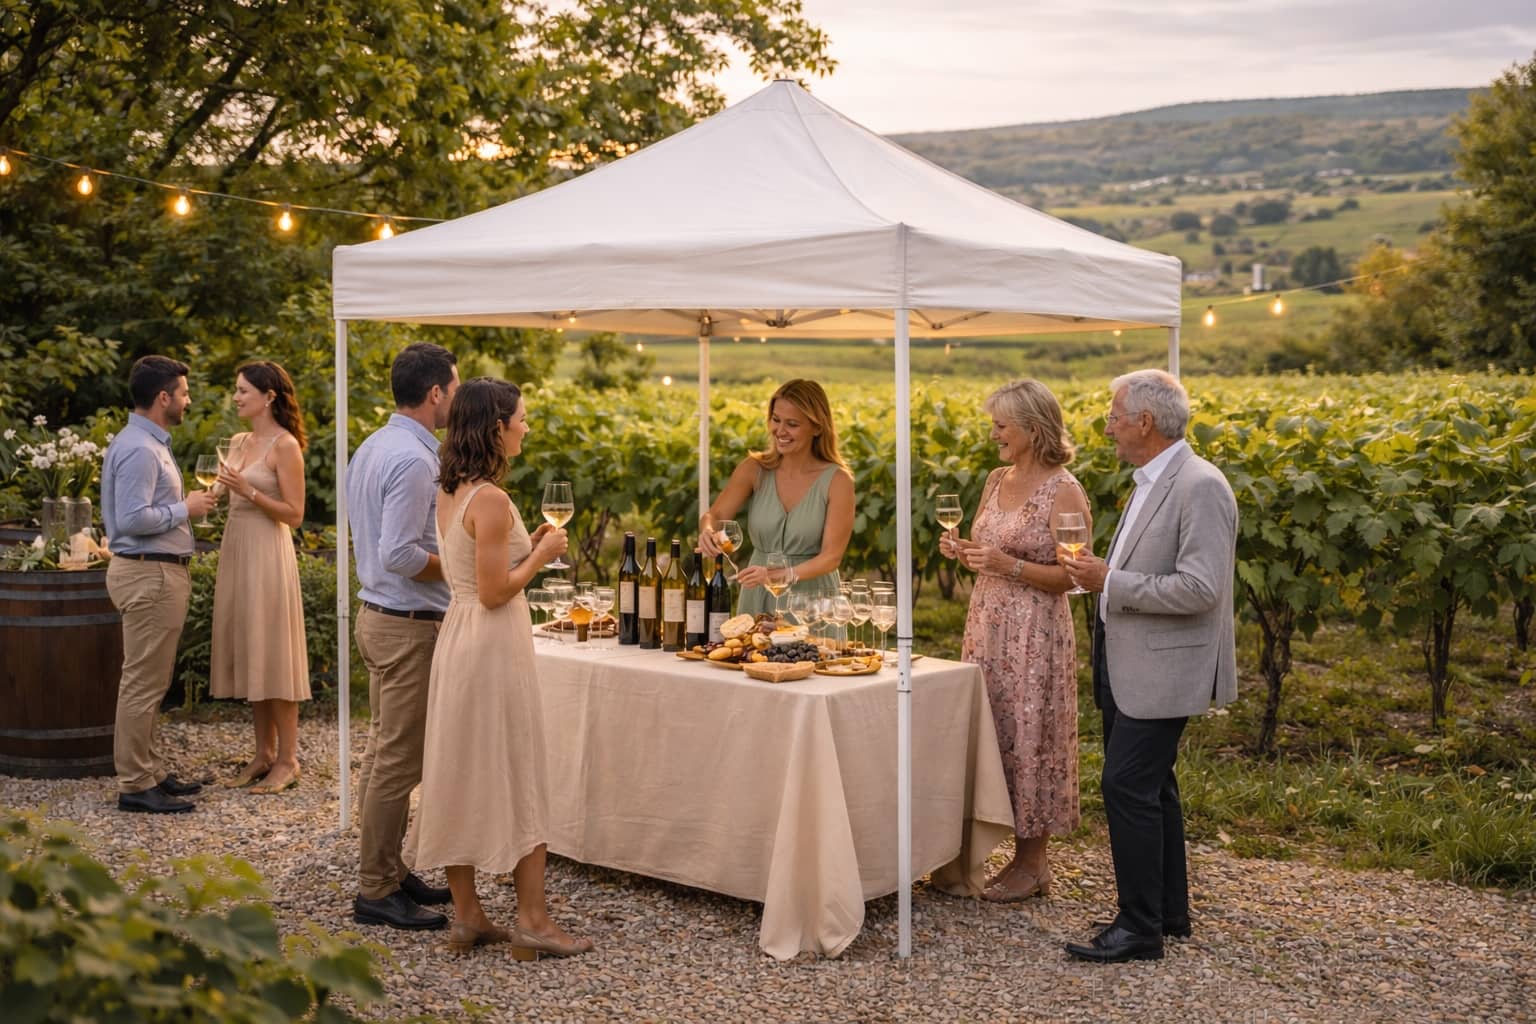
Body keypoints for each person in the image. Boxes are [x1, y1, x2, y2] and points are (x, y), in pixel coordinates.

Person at [407, 377, 593, 958]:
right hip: (490, 641)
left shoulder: (451, 488)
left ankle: (467, 917)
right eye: (521, 418)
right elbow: (493, 592)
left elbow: (469, 567)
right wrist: (539, 555)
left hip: (460, 640)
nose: (526, 427)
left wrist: (524, 544)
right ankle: (533, 921)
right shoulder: (490, 498)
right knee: (517, 768)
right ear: (496, 427)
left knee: (459, 770)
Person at [1059, 369, 1238, 964]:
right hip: (1127, 659)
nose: (1107, 426)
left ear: (1144, 421)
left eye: (1114, 415)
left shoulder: (1200, 485)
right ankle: (1167, 912)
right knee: (1154, 786)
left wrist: (1112, 579)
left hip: (1163, 667)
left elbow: (1201, 588)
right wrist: (1107, 574)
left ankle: (1138, 929)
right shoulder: (1151, 481)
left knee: (1125, 785)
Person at [939, 379, 1090, 902]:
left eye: (1002, 425)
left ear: (1032, 427)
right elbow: (990, 547)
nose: (994, 433)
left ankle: (1034, 861)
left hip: (1034, 632)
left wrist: (1012, 567)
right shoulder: (996, 477)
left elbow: (1076, 577)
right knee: (993, 731)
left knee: (1032, 738)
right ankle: (990, 847)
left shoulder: (1063, 489)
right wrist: (963, 550)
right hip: (987, 624)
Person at [347, 343, 460, 932]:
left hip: (379, 617)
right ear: (436, 392)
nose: (456, 398)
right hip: (406, 625)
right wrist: (460, 564)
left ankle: (387, 870)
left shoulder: (373, 445)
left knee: (382, 752)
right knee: (397, 761)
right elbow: (398, 553)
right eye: (454, 388)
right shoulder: (416, 459)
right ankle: (375, 890)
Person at [101, 355, 218, 813]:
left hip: (157, 571)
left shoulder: (148, 442)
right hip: (148, 572)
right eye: (184, 393)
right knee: (142, 682)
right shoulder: (139, 448)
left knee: (153, 678)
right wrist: (185, 508)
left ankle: (150, 770)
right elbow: (130, 520)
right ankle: (134, 784)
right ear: (163, 397)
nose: (189, 400)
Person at [210, 361, 311, 795]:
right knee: (252, 648)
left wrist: (248, 491)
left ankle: (288, 760)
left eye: (243, 391)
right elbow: (220, 491)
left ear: (269, 396)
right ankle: (262, 753)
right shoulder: (238, 441)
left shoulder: (285, 446)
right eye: (236, 390)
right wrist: (209, 495)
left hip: (269, 553)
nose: (236, 398)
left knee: (275, 651)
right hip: (237, 549)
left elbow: (296, 514)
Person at [698, 379, 854, 621]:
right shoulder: (754, 469)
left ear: (817, 427)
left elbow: (831, 557)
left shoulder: (838, 480)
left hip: (813, 603)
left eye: (792, 424)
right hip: (758, 593)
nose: (780, 431)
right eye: (776, 420)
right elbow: (715, 516)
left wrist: (782, 575)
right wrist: (707, 531)